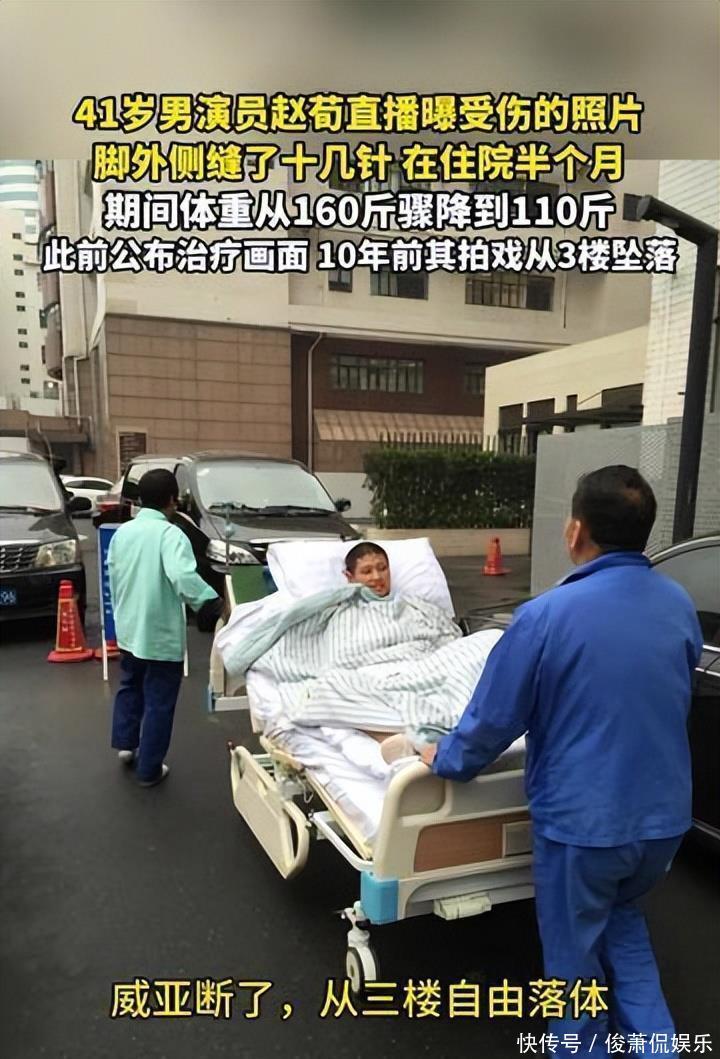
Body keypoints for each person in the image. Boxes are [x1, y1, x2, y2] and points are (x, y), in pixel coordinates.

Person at [420, 465, 702, 1053]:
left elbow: (491, 723)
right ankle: (658, 1046)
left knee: (573, 959)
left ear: (576, 530)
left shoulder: (546, 616)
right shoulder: (678, 605)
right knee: (621, 920)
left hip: (585, 825)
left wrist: (441, 758)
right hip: (663, 819)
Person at [109, 468, 224, 787]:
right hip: (159, 633)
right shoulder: (170, 535)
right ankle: (149, 769)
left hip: (129, 627)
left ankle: (126, 745)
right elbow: (182, 576)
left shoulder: (123, 533)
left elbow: (114, 576)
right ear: (173, 499)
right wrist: (211, 603)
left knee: (130, 685)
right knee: (159, 700)